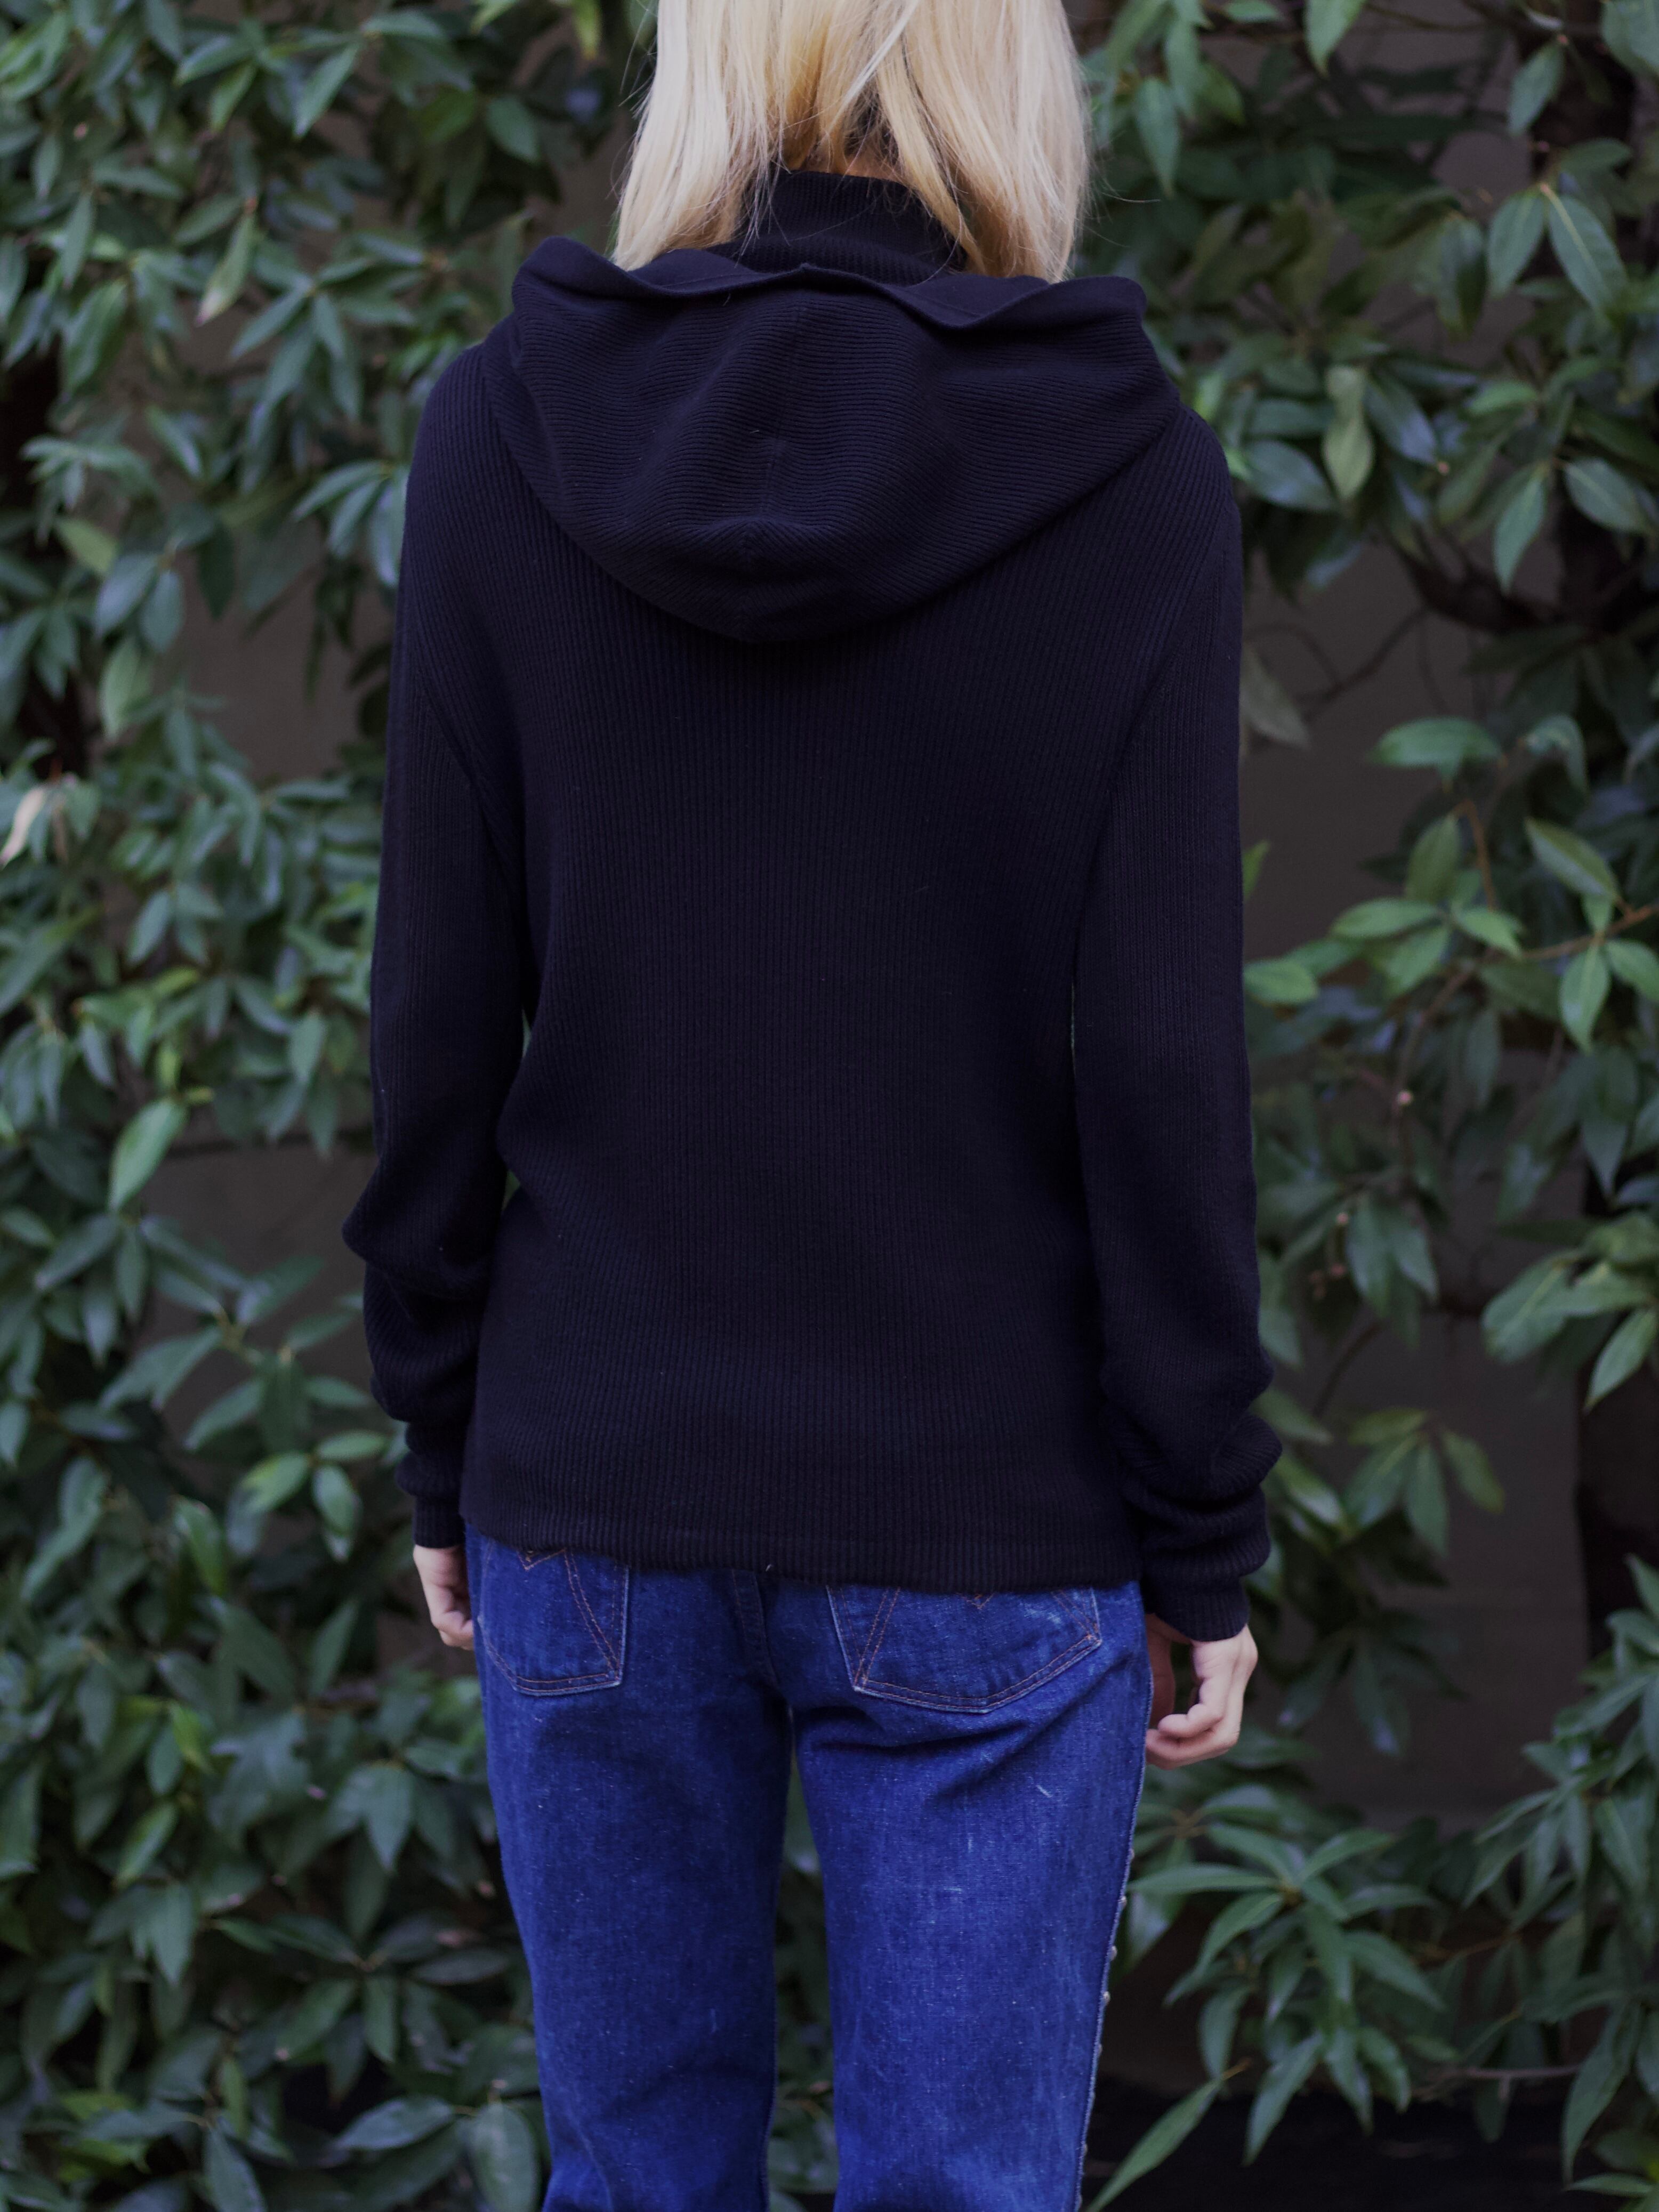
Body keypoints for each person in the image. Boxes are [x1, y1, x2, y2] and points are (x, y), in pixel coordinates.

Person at [341, 0, 1279, 2202]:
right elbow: (1161, 1060)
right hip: (986, 1509)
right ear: (1008, 72)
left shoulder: (500, 433)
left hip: (596, 1484)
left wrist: (439, 1424)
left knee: (632, 2178)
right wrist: (1201, 1526)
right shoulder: (1129, 473)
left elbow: (438, 1006)